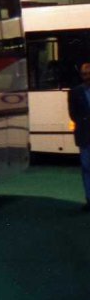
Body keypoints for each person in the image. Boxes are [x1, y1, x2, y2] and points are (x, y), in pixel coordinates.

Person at [66, 62, 90, 210]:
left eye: (89, 74)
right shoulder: (75, 92)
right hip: (84, 135)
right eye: (84, 74)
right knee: (87, 167)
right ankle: (89, 199)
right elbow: (73, 114)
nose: (87, 77)